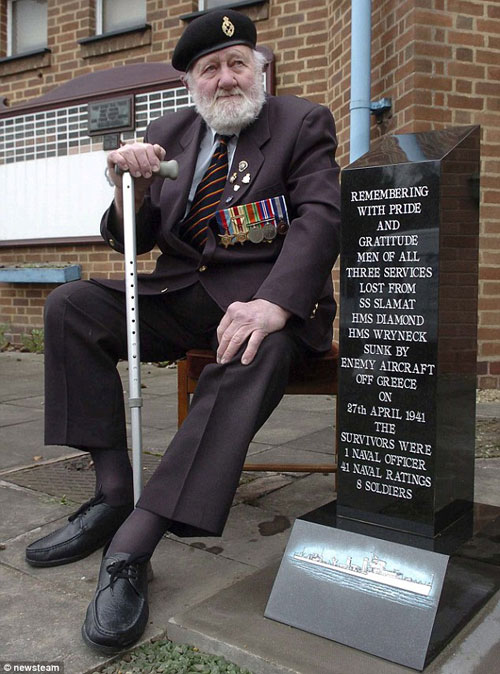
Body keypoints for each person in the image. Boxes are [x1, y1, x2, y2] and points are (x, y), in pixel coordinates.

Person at [25, 9, 340, 654]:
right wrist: (128, 190)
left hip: (266, 303)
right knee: (70, 306)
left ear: (258, 67)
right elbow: (124, 239)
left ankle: (133, 544)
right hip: (181, 291)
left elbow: (321, 219)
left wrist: (276, 304)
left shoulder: (300, 123)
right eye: (210, 69)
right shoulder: (169, 132)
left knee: (256, 346)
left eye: (237, 64)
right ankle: (113, 492)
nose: (226, 78)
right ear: (191, 82)